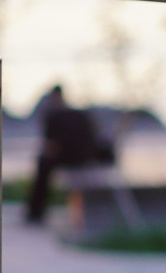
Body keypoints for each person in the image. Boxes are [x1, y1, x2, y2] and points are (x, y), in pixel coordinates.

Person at [26, 85, 113, 224]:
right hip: (85, 159)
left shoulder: (54, 117)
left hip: (67, 158)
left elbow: (51, 147)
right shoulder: (80, 114)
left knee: (43, 164)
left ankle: (35, 213)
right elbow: (95, 138)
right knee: (44, 162)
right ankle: (35, 213)